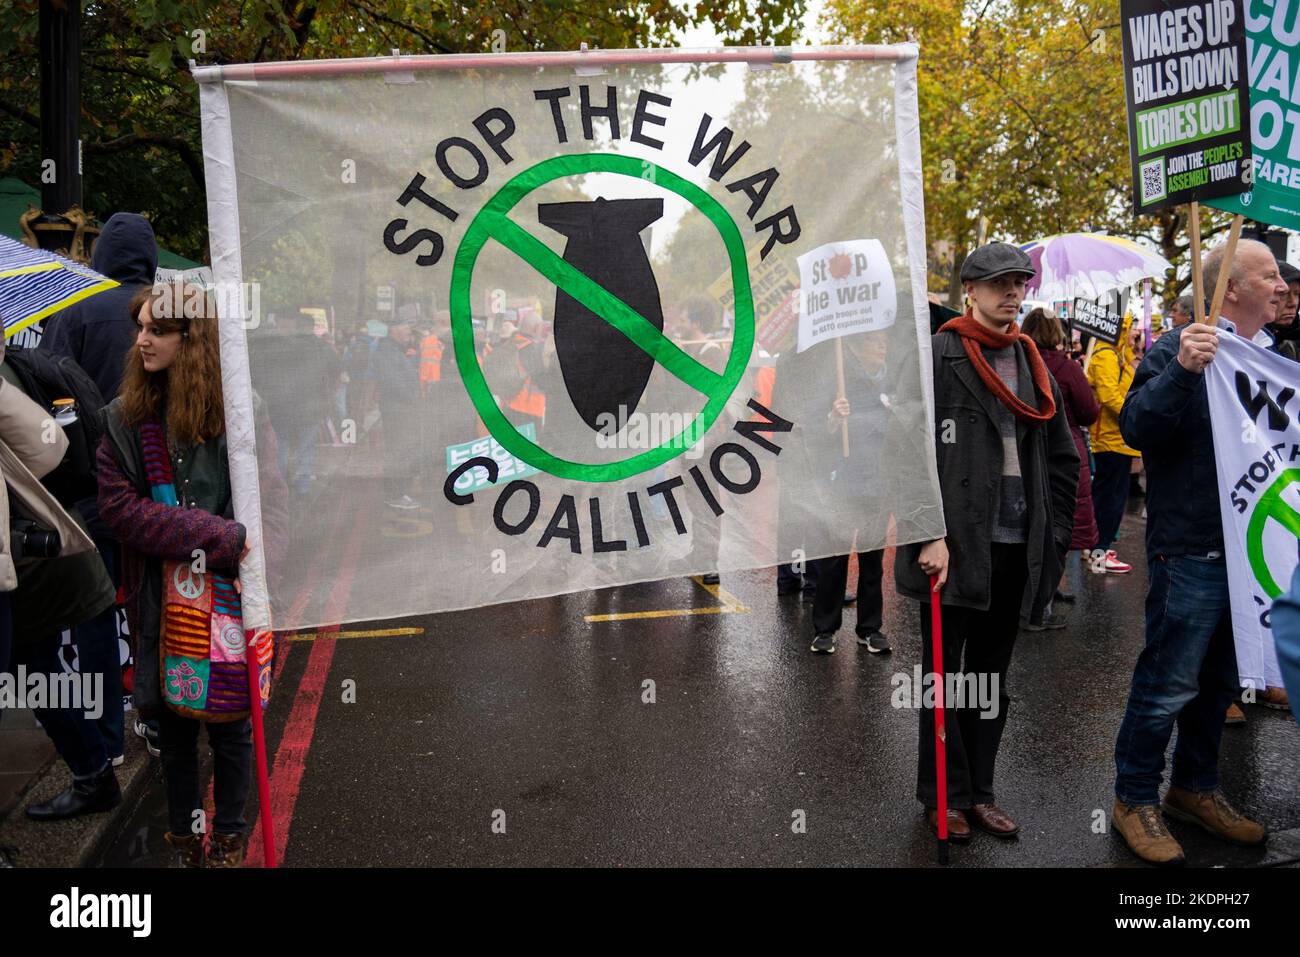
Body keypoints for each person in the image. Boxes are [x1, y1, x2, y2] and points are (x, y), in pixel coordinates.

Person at [1110, 238, 1287, 866]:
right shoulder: (1174, 350)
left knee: (1219, 684)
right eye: (1268, 277)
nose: (1283, 287)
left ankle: (1195, 787)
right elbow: (1138, 431)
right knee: (1169, 681)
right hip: (1192, 549)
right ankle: (1133, 798)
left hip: (1252, 556)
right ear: (1229, 290)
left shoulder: (1278, 360)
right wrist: (1184, 371)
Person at [896, 242, 1078, 843]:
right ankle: (942, 796)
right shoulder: (939, 352)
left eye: (1019, 282)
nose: (1012, 292)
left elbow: (1060, 456)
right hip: (951, 549)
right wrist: (929, 533)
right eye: (998, 282)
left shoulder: (1032, 359)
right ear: (969, 289)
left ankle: (980, 794)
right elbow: (906, 454)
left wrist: (1051, 537)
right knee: (946, 681)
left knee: (992, 679)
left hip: (1016, 545)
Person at [96, 283, 264, 867]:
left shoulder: (239, 413)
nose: (141, 339)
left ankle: (231, 835)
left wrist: (262, 568)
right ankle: (186, 837)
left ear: (190, 340)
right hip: (157, 602)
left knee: (230, 721)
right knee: (171, 727)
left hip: (230, 594)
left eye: (157, 330)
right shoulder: (122, 419)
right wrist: (217, 535)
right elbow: (118, 511)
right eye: (140, 327)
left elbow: (274, 506)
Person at [1, 335, 121, 821]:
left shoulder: (8, 380)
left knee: (32, 671)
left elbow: (47, 452)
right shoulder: (17, 368)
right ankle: (96, 769)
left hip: (37, 556)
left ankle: (94, 772)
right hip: (52, 541)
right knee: (37, 670)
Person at [809, 332, 893, 655]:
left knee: (873, 560)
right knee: (835, 558)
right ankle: (825, 628)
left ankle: (870, 629)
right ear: (856, 349)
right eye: (875, 342)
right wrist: (833, 417)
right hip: (844, 483)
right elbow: (819, 430)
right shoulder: (838, 382)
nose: (882, 346)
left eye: (883, 342)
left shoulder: (893, 383)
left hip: (878, 483)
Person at [1021, 308, 1099, 626]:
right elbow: (1089, 411)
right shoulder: (1065, 368)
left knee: (1028, 527)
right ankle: (1041, 603)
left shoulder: (1018, 361)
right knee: (1058, 527)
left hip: (1024, 454)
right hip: (1062, 454)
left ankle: (1037, 595)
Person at [1085, 319, 1141, 575]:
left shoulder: (1117, 355)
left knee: (1110, 496)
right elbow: (1109, 395)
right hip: (1111, 439)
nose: (1136, 333)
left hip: (1118, 439)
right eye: (1132, 328)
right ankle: (1100, 550)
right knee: (1110, 498)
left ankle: (1098, 547)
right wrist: (1134, 415)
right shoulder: (1107, 355)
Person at [1267, 260, 1299, 362]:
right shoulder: (1246, 339)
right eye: (1284, 294)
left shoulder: (1295, 343)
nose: (1293, 303)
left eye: (1297, 294)